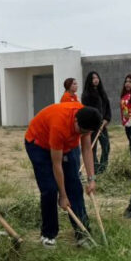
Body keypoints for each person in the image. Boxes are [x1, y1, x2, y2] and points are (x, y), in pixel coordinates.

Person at [24, 102, 102, 247]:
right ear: (75, 120)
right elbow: (57, 164)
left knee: (75, 186)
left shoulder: (87, 119)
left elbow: (87, 149)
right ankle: (48, 234)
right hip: (38, 144)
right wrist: (63, 196)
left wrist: (91, 179)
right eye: (81, 131)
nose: (82, 135)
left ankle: (83, 233)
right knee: (50, 189)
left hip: (67, 145)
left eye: (86, 132)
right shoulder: (59, 125)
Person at [80, 71, 111, 175]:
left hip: (103, 125)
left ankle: (103, 168)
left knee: (106, 146)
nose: (96, 80)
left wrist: (106, 119)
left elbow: (107, 107)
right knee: (92, 148)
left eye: (97, 77)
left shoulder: (102, 92)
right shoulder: (86, 95)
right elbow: (88, 110)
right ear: (90, 80)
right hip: (93, 126)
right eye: (93, 78)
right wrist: (95, 122)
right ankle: (97, 170)